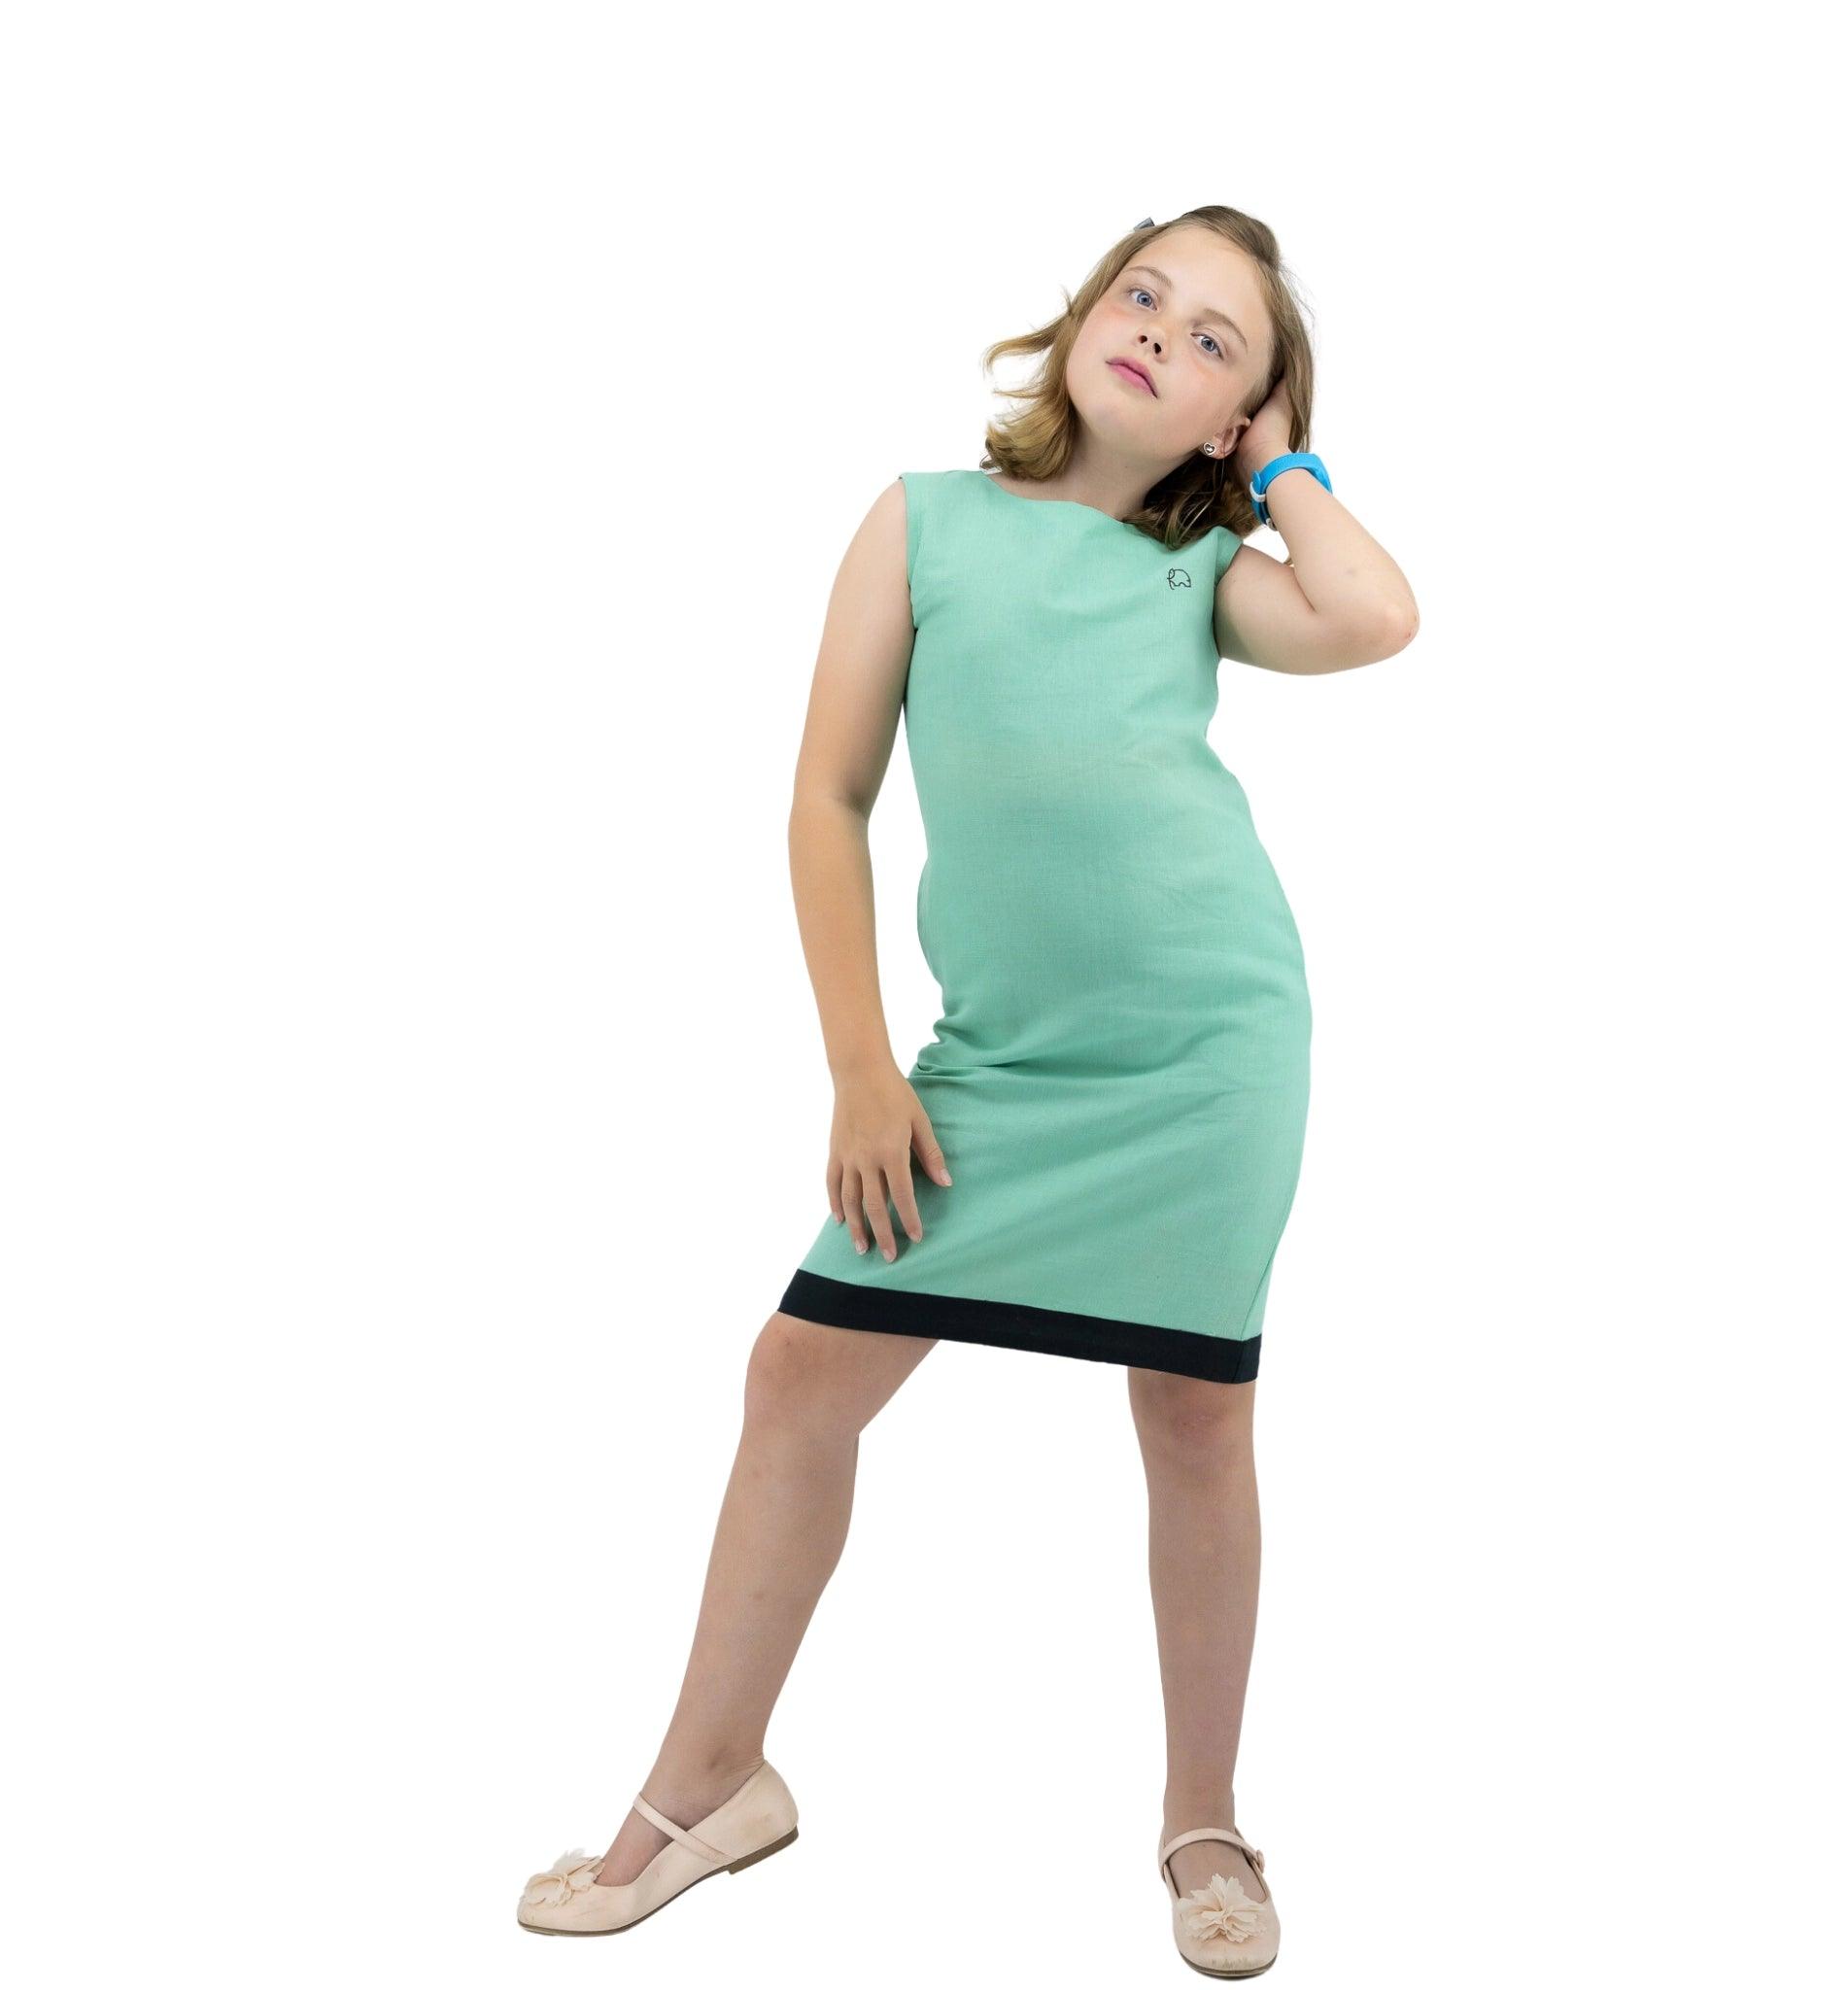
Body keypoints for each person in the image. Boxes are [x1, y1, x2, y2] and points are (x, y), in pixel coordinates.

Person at [516, 204, 1419, 1974]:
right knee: (798, 1374)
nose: (1163, 329)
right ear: (1086, 313)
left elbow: (1377, 613)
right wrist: (862, 1066)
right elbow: (826, 799)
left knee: (1194, 1419)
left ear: (1238, 418)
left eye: (1219, 339)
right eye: (1145, 291)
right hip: (992, 1067)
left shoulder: (1209, 577)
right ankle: (713, 1781)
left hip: (1208, 1054)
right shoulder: (923, 520)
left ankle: (1203, 1822)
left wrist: (1279, 468)